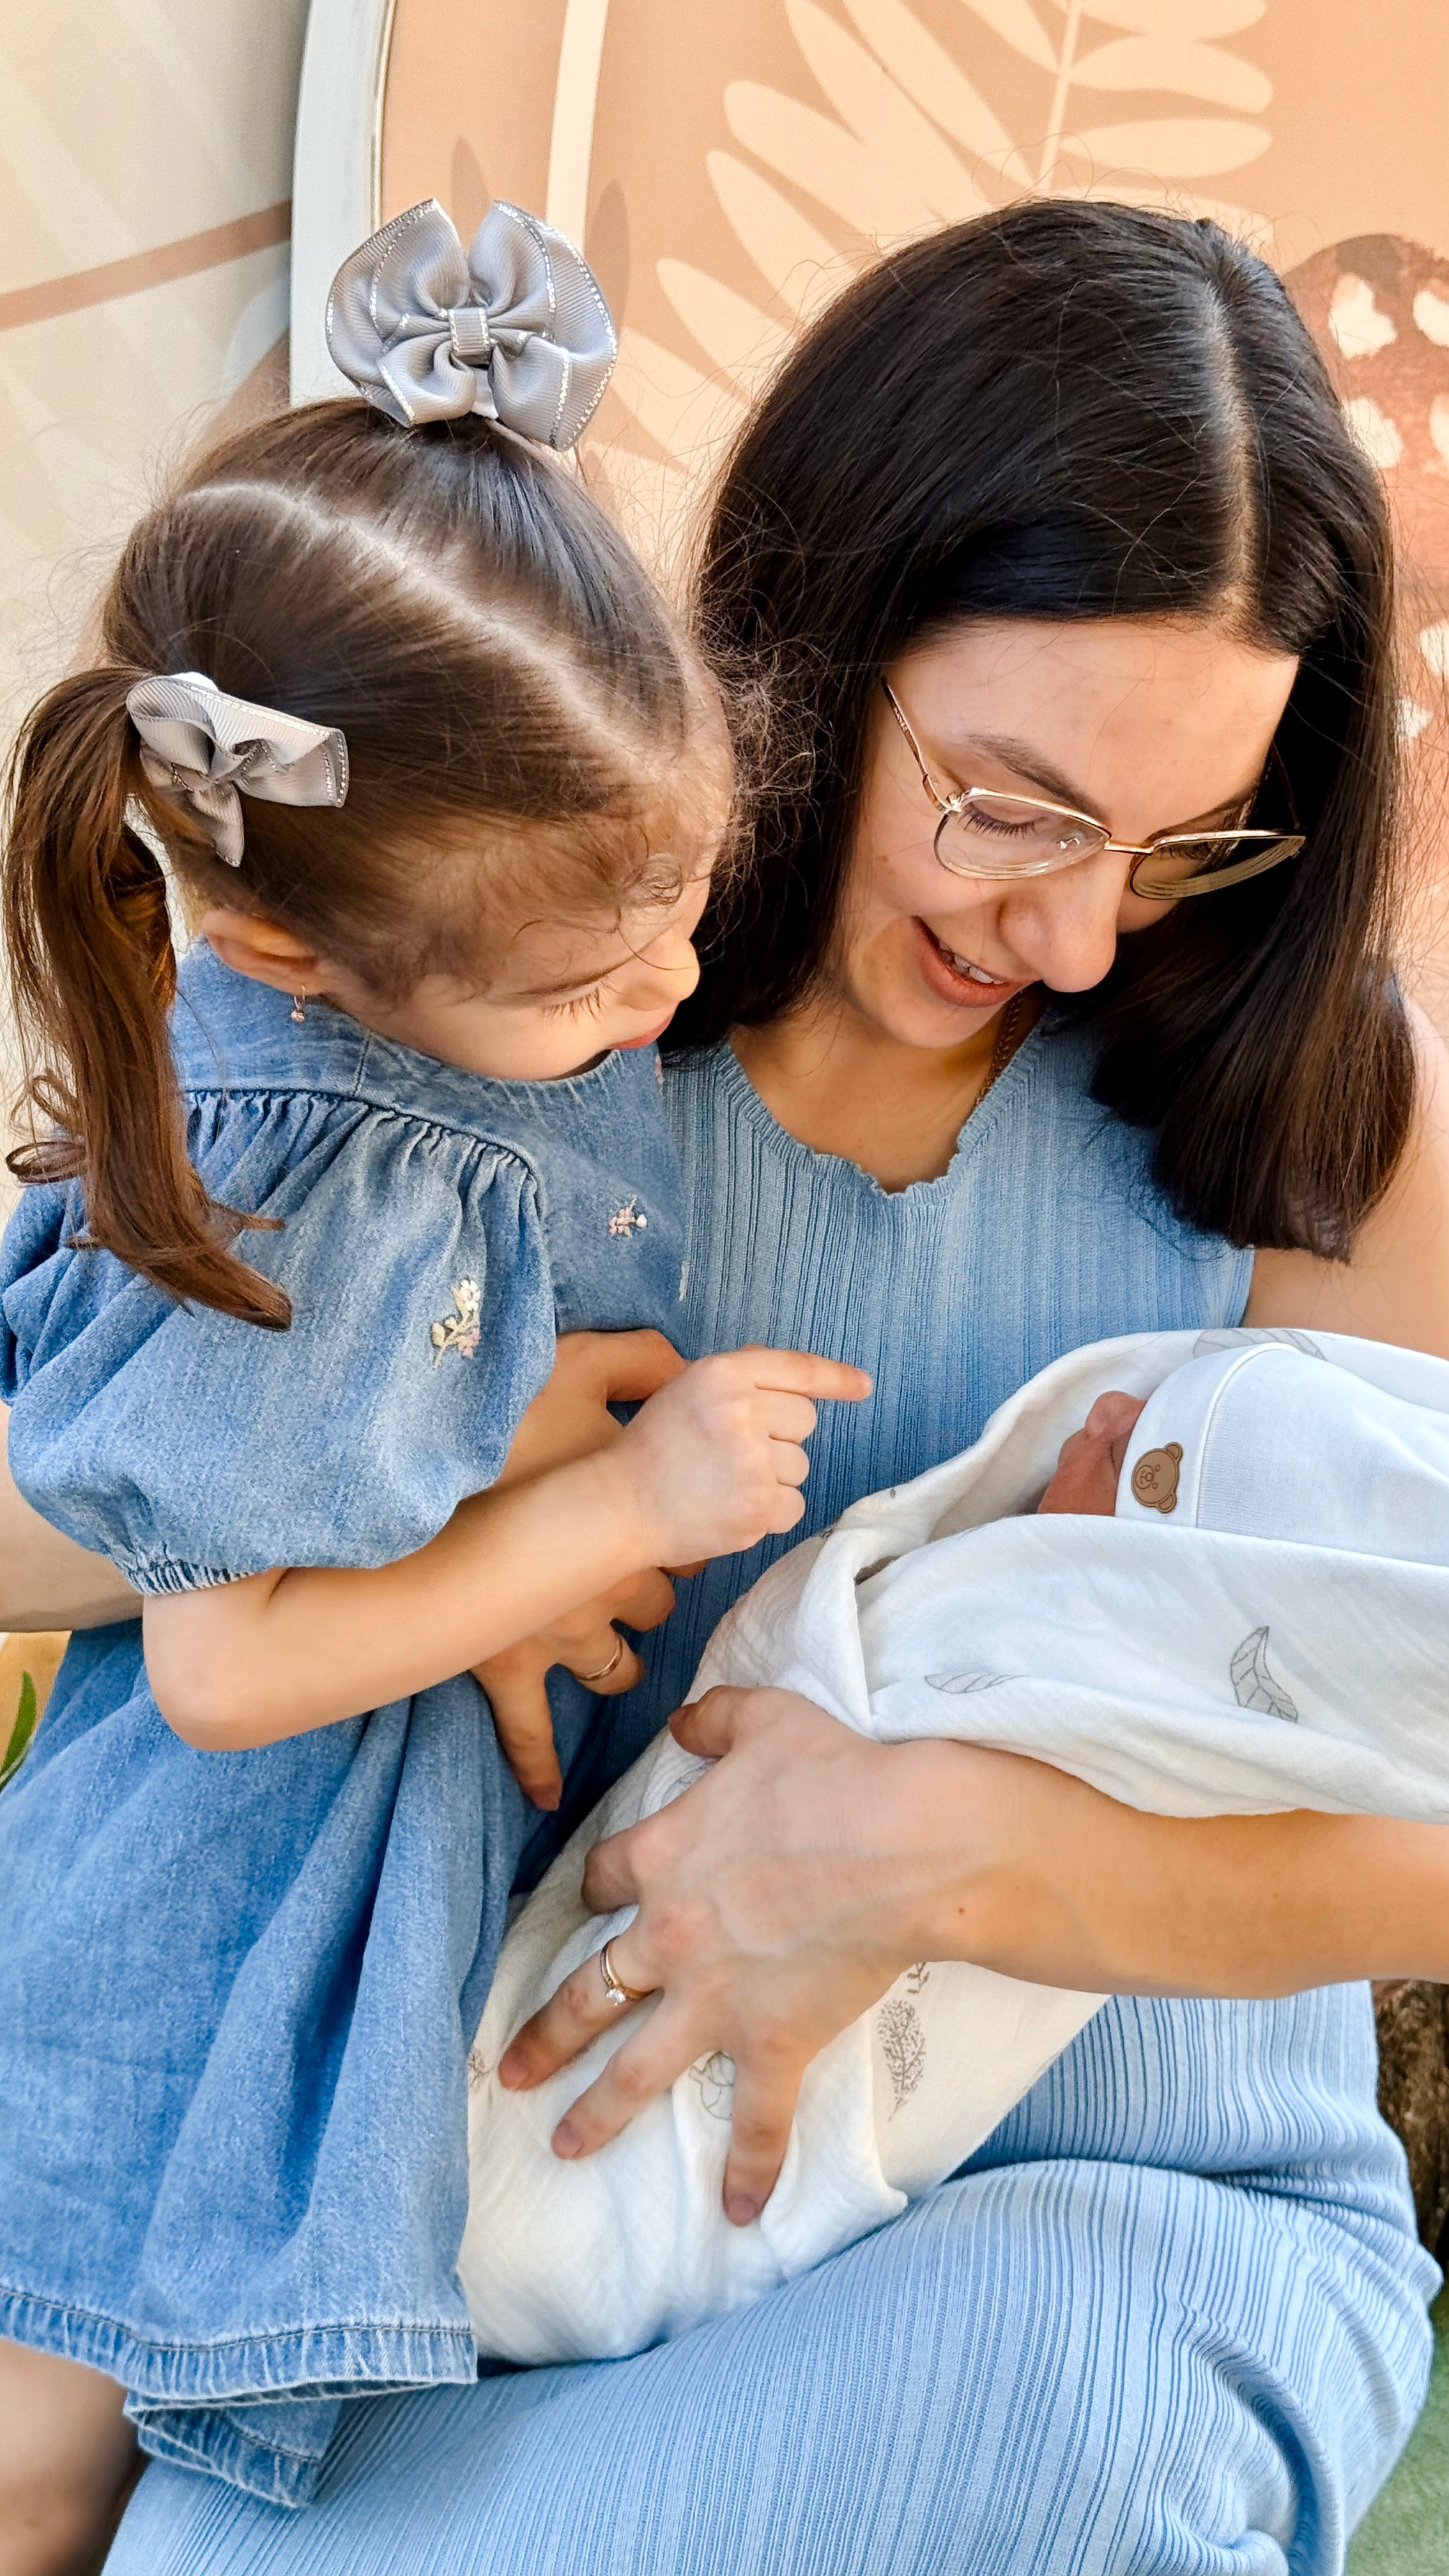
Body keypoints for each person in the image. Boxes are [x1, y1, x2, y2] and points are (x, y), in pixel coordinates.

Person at [19, 198, 1449, 2572]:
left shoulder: (1332, 1115)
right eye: (1008, 803)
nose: (1076, 928)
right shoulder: (496, 977)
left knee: (1078, 2401)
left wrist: (933, 1859)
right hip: (528, 2246)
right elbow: (77, 1475)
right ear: (815, 634)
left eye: (1187, 841)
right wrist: (434, 1524)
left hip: (1114, 2220)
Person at [0, 201, 866, 2575]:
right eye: (597, 980)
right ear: (292, 943)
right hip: (187, 1930)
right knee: (39, 2461)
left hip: (315, 1910)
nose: (668, 987)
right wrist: (611, 1507)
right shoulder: (336, 1164)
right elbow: (222, 1653)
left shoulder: (415, 951)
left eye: (683, 903)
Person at [462, 1330, 1449, 2370]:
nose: (1104, 1415)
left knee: (1125, 2398)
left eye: (1142, 1459)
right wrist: (521, 1536)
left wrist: (926, 1836)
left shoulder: (1145, 1679)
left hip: (1138, 2136)